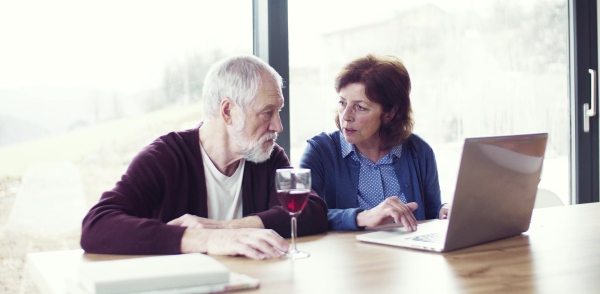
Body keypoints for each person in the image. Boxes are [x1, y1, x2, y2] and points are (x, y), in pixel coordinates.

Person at [80, 54, 328, 260]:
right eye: (267, 113)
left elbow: (312, 212)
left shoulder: (267, 157)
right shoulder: (165, 157)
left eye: (279, 111)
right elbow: (96, 226)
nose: (278, 126)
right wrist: (205, 239)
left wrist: (226, 229)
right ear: (228, 111)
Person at [299, 54, 448, 232]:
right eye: (342, 103)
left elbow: (432, 212)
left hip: (410, 256)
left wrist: (444, 211)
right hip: (350, 255)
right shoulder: (320, 151)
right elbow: (301, 215)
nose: (346, 116)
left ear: (390, 113)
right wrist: (363, 217)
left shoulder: (419, 151)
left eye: (360, 107)